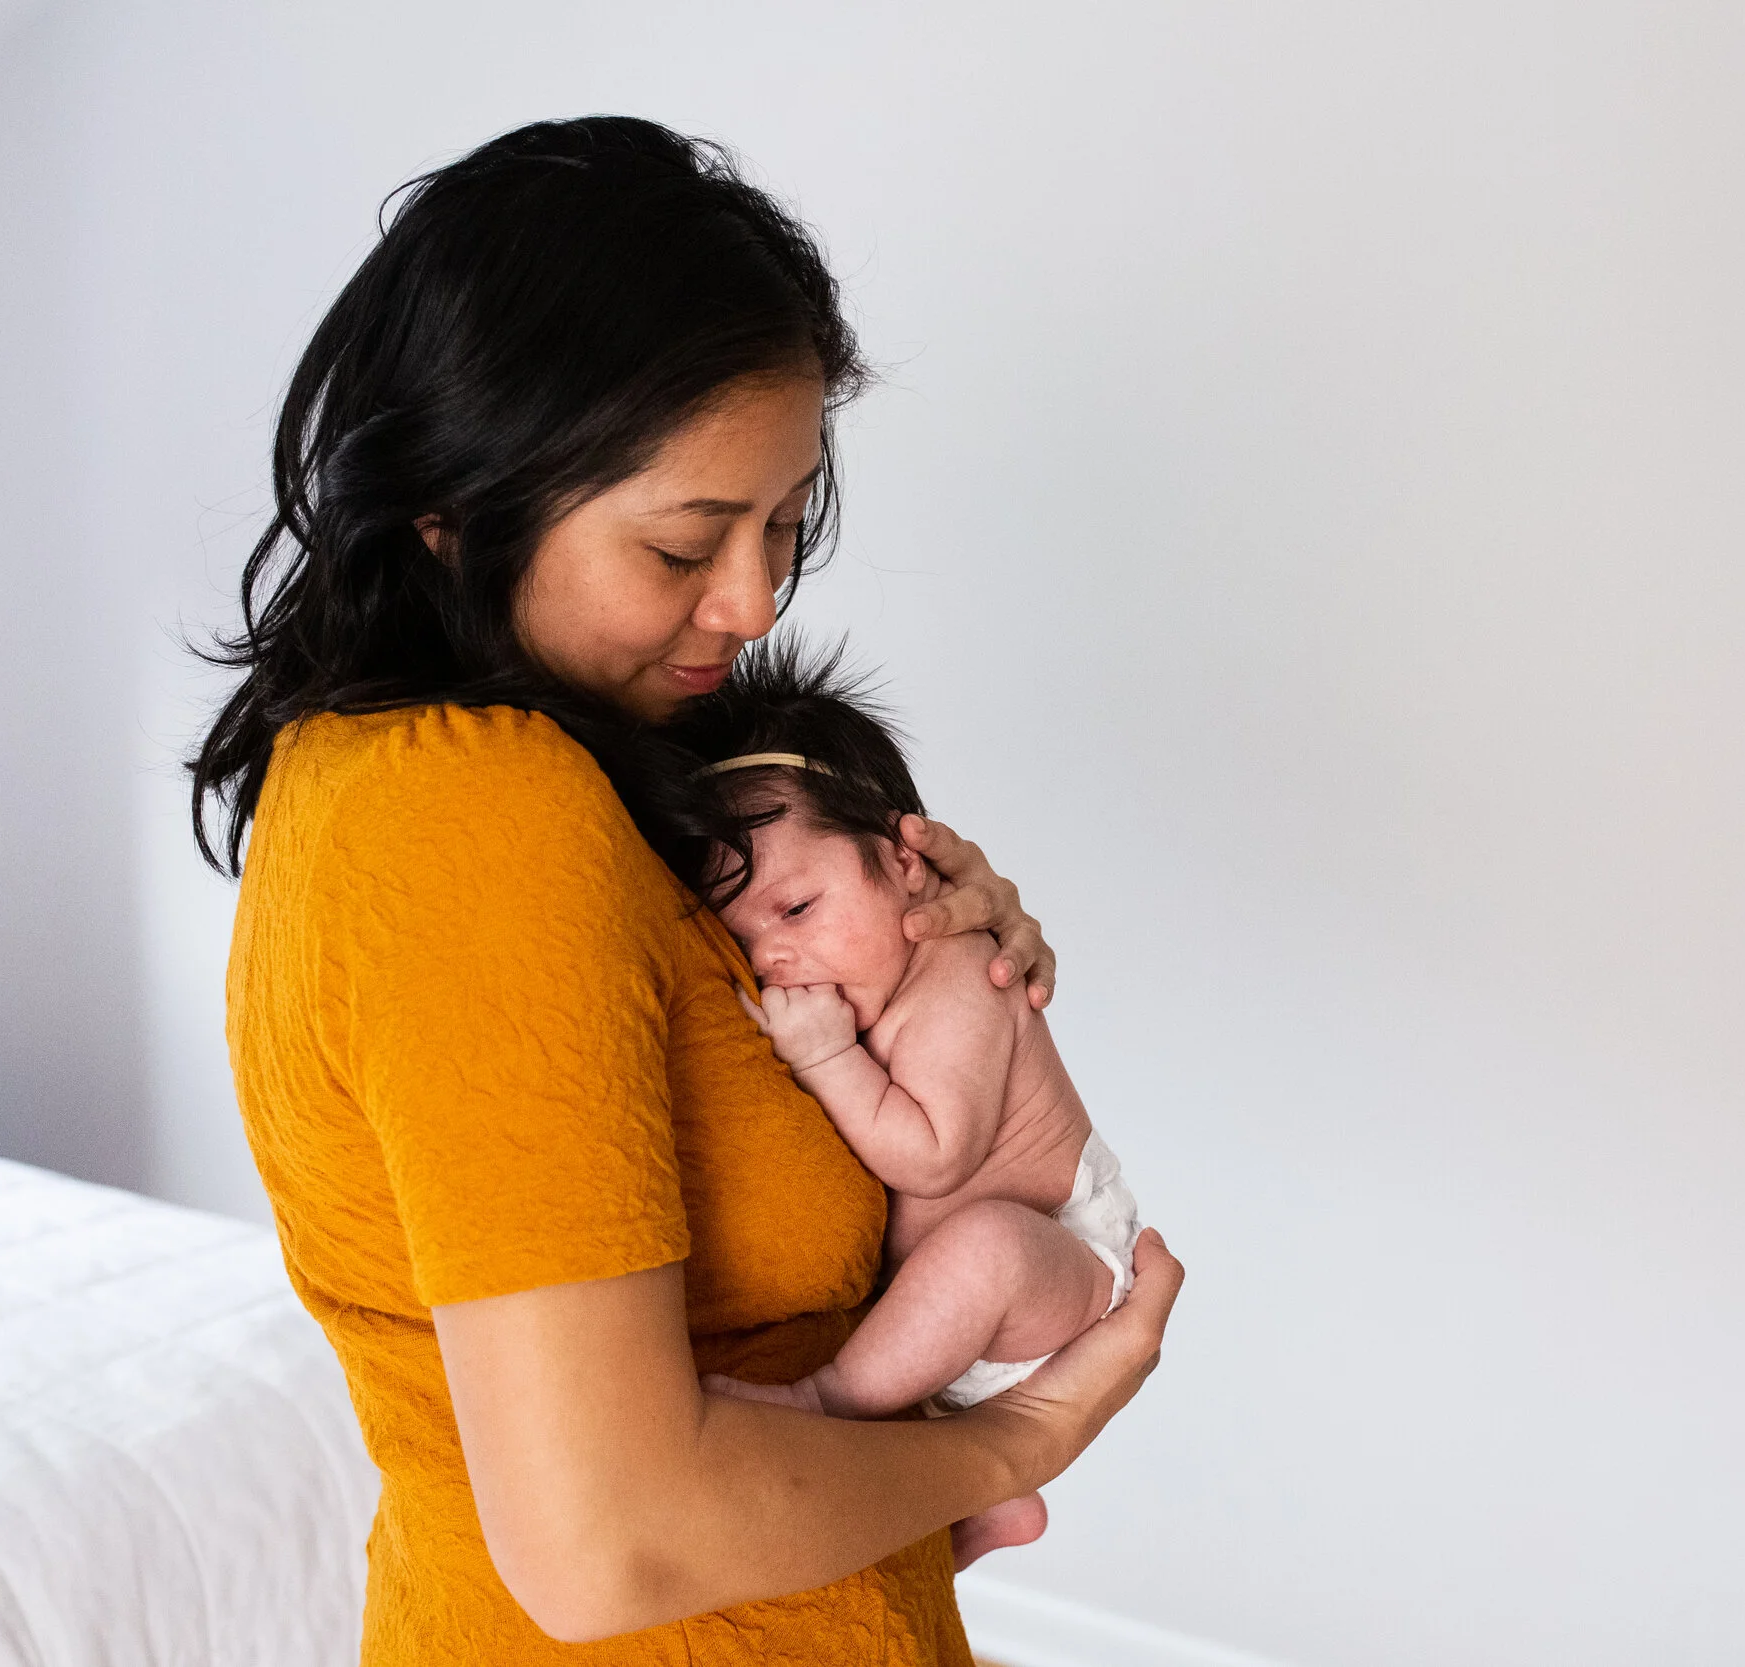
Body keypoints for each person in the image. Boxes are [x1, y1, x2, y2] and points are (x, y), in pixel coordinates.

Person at [191, 116, 1182, 1665]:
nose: (757, 597)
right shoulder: (472, 808)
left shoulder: (573, 782)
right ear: (452, 511)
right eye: (683, 543)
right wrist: (1014, 1444)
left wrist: (919, 954)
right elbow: (608, 1542)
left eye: (786, 521)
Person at [667, 636, 1141, 1560]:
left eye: (797, 910)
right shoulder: (875, 981)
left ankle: (824, 1403)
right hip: (961, 1318)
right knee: (953, 1268)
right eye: (745, 939)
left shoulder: (965, 975)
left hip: (1060, 1272)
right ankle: (985, 1509)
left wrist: (830, 1059)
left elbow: (933, 1155)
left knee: (986, 1248)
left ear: (905, 863)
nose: (773, 957)